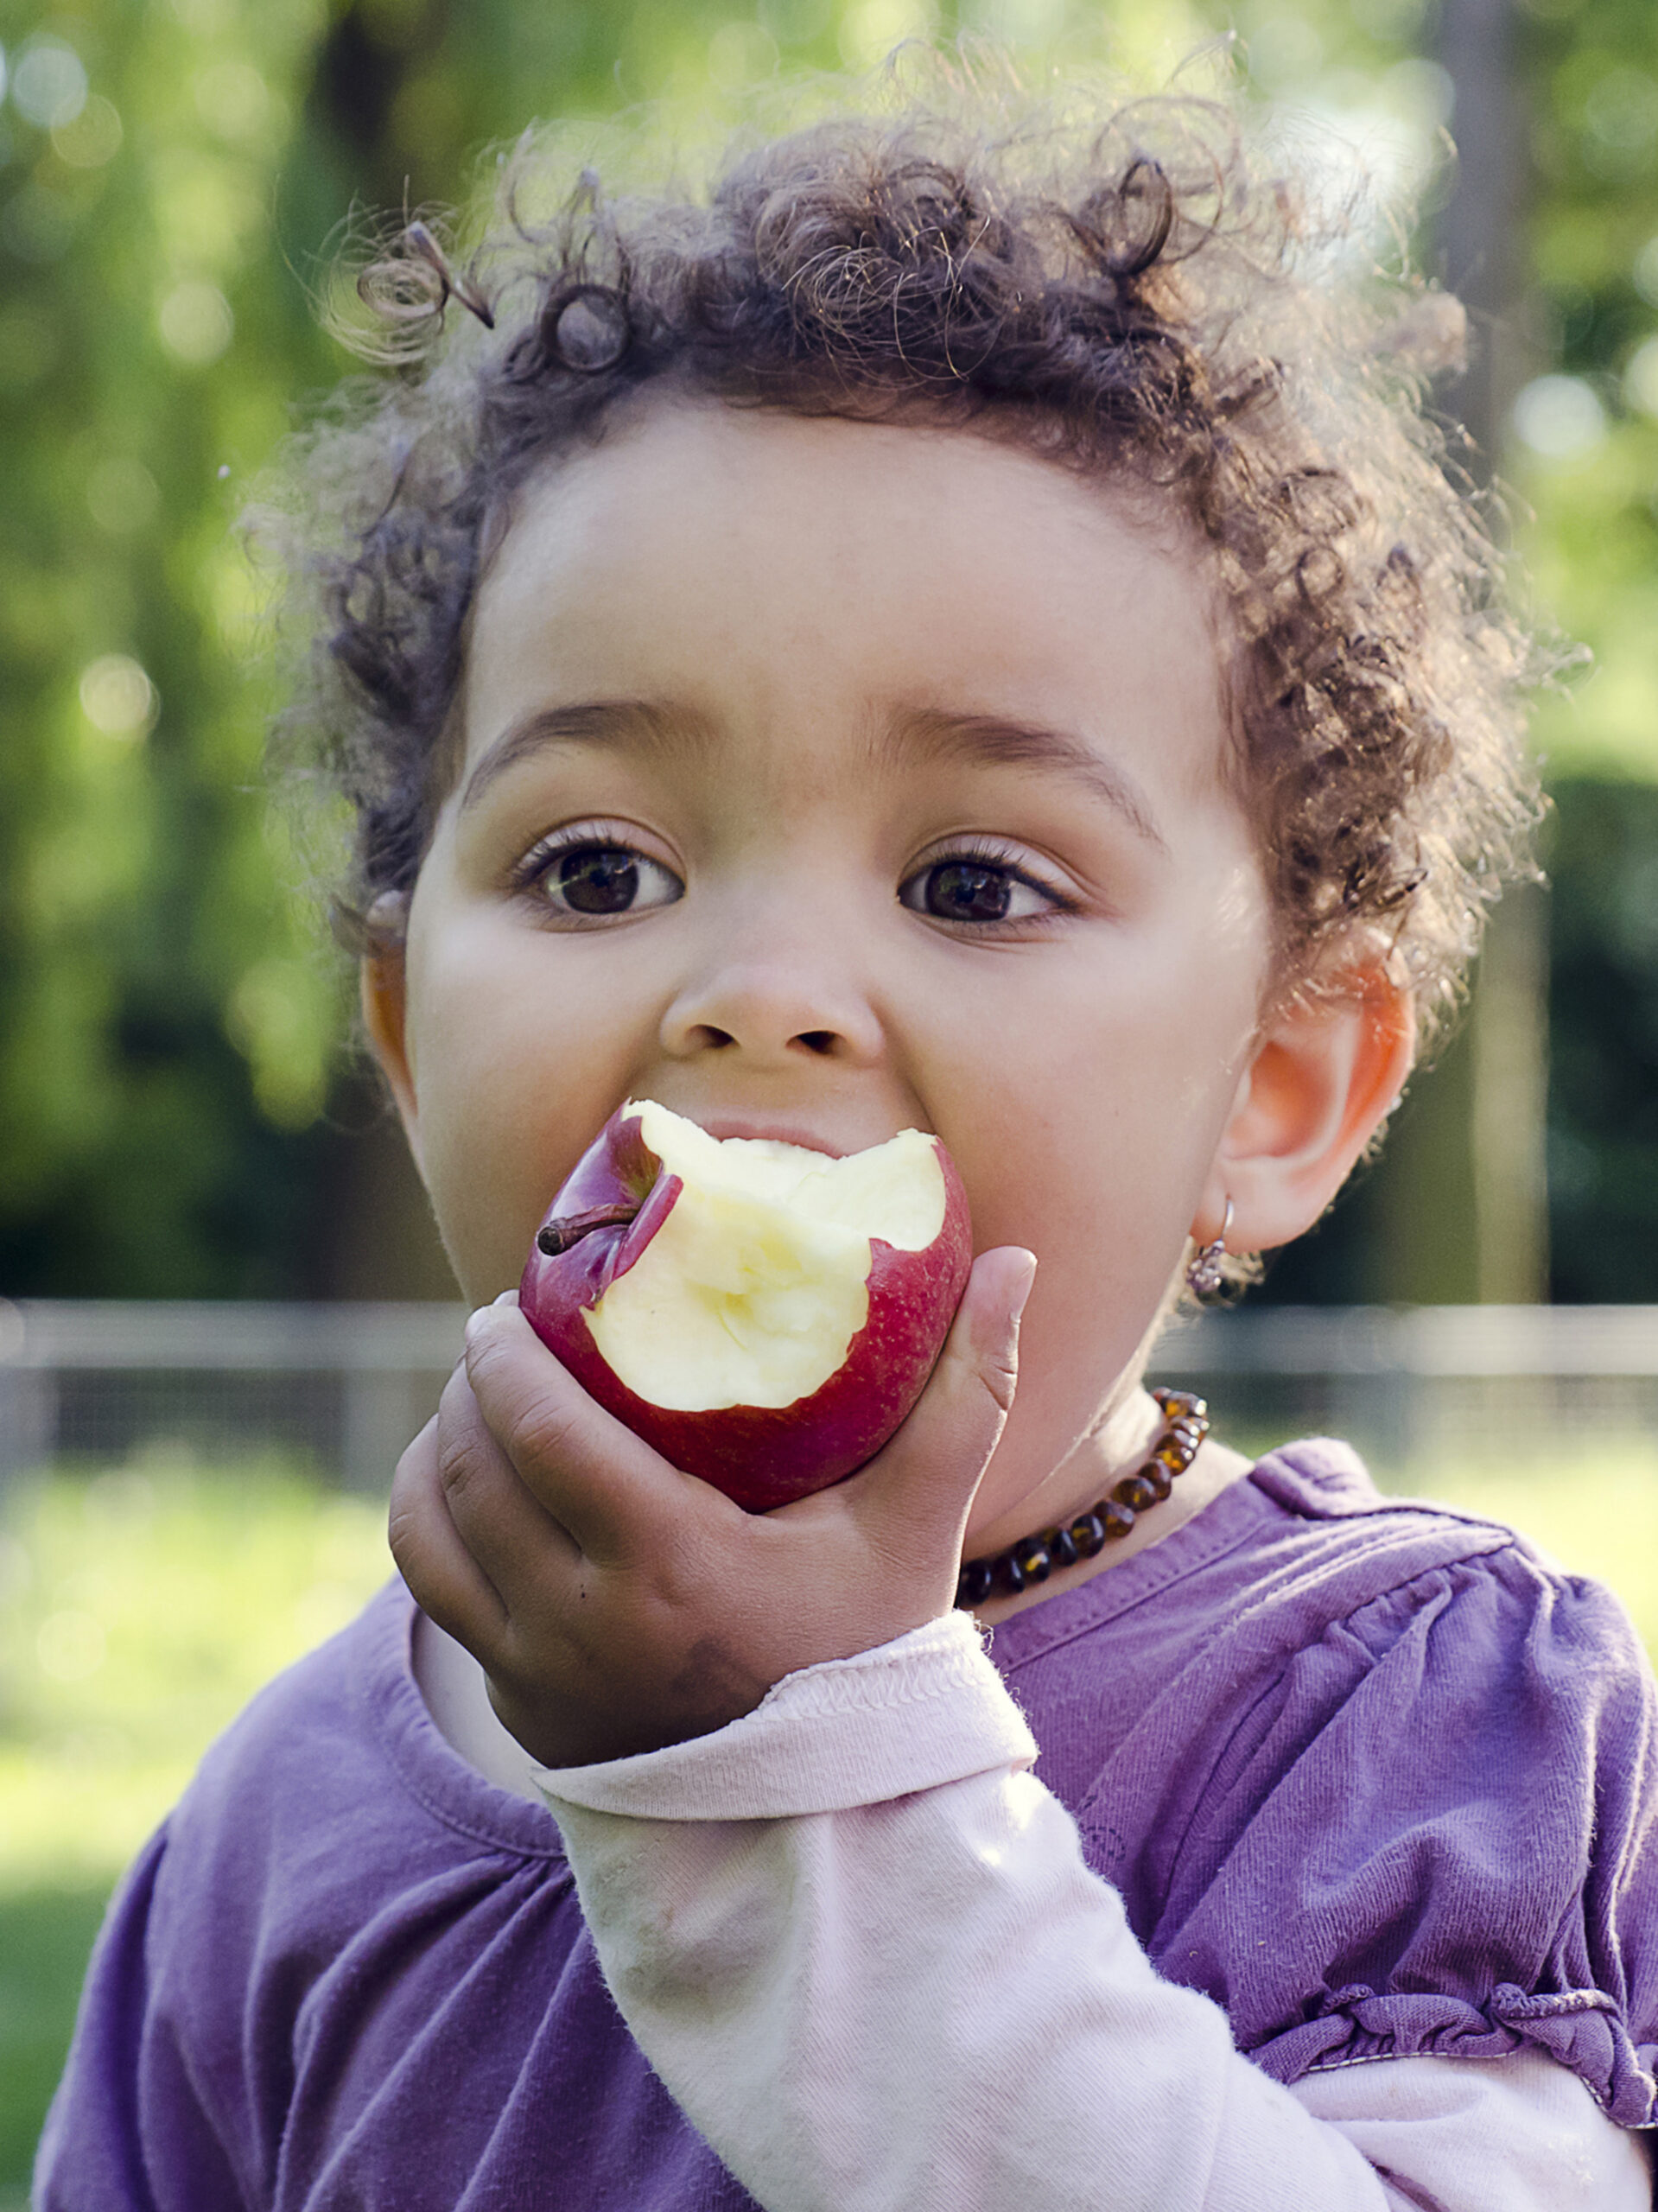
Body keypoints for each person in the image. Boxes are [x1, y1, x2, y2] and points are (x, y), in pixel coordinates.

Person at [38, 62, 1658, 2212]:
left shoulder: (1405, 1724)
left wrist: (790, 1767)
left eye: (976, 881)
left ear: (1276, 1090)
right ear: (414, 1034)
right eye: (601, 867)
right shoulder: (283, 1828)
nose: (761, 987)